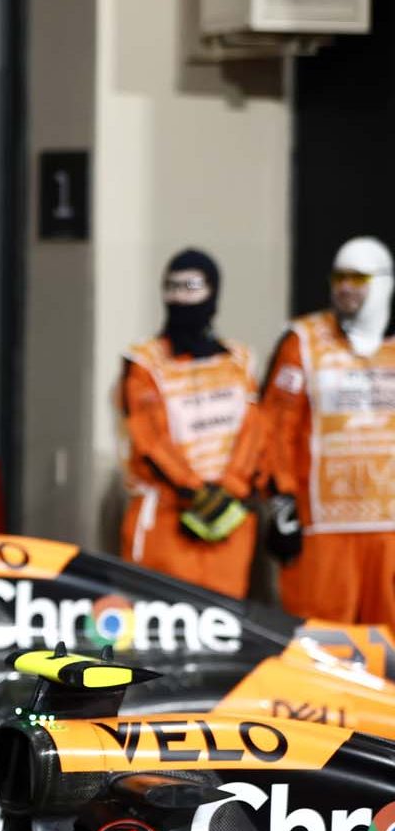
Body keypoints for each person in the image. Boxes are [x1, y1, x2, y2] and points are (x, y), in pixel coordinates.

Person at [257, 236, 395, 623]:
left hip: (390, 530)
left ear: (384, 282)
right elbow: (274, 426)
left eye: (358, 277)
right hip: (322, 530)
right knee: (323, 646)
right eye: (339, 277)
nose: (345, 287)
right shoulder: (302, 342)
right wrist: (281, 502)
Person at [116, 249, 264, 596]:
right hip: (166, 519)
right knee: (156, 625)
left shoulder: (240, 360)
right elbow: (147, 437)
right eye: (173, 289)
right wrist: (193, 491)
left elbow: (255, 431)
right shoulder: (144, 362)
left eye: (191, 289)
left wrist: (231, 488)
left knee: (224, 629)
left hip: (228, 517)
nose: (181, 300)